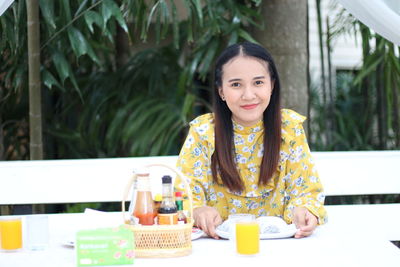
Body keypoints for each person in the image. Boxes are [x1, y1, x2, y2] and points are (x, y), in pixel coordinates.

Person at [175, 41, 327, 239]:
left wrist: (305, 211)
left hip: (282, 246)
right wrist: (197, 210)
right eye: (236, 84)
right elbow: (183, 192)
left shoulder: (289, 129)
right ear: (221, 90)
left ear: (272, 85)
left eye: (258, 82)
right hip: (219, 247)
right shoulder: (204, 133)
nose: (248, 95)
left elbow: (307, 190)